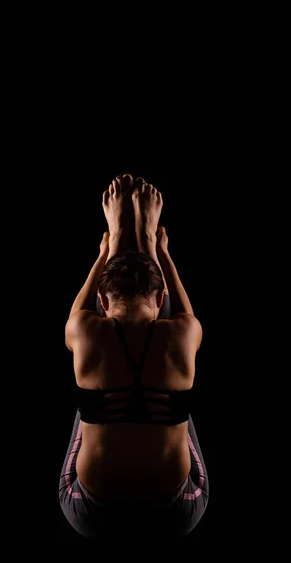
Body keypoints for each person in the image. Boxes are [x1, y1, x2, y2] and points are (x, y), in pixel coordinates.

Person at [59, 175, 209, 539]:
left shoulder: (85, 328)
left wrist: (104, 252)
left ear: (102, 300)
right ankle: (143, 237)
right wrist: (161, 252)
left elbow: (77, 316)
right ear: (161, 300)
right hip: (178, 510)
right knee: (173, 401)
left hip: (90, 510)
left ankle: (128, 238)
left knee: (90, 401)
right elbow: (184, 318)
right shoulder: (184, 332)